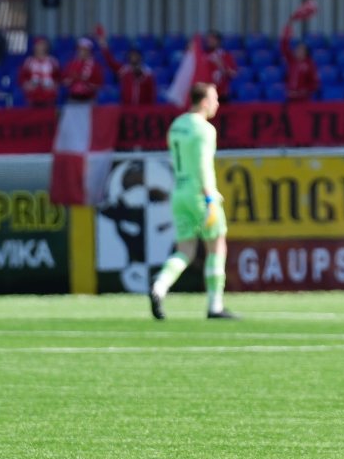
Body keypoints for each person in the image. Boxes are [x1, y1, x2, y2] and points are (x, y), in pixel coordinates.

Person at [149, 82, 237, 321]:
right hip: (199, 193)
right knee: (216, 245)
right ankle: (215, 305)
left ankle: (159, 285)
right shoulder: (205, 129)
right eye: (215, 99)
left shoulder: (177, 125)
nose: (218, 104)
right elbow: (203, 165)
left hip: (179, 191)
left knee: (185, 250)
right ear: (205, 102)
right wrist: (209, 196)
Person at [94, 26, 158, 106]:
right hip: (126, 108)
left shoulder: (147, 73)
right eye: (132, 55)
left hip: (143, 109)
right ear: (128, 57)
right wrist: (103, 43)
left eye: (136, 55)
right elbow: (110, 61)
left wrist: (150, 109)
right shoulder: (124, 70)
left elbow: (152, 93)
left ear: (140, 57)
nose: (134, 57)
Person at [279, 0, 321, 102]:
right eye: (297, 49)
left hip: (303, 100)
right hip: (290, 98)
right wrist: (288, 26)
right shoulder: (291, 60)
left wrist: (303, 92)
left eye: (301, 50)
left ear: (306, 52)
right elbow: (284, 47)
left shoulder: (310, 64)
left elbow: (314, 83)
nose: (298, 51)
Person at [61, 38, 105, 103]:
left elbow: (99, 85)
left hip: (89, 98)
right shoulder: (71, 64)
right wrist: (72, 79)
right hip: (72, 98)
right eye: (80, 49)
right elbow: (64, 81)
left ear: (89, 51)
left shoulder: (95, 66)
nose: (82, 52)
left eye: (85, 49)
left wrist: (85, 81)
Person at [19, 38, 60, 107]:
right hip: (32, 96)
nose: (40, 47)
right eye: (38, 45)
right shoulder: (28, 61)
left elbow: (58, 78)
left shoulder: (53, 61)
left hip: (49, 96)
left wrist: (54, 85)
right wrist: (27, 85)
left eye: (42, 45)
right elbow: (22, 78)